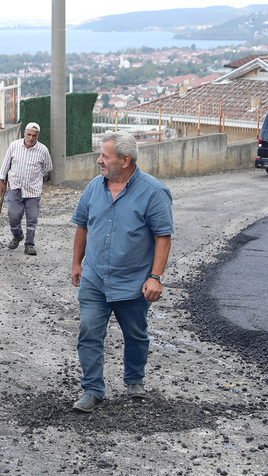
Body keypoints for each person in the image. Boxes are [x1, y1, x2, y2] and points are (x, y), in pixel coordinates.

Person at [69, 130, 173, 412]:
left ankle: (134, 380)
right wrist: (77, 263)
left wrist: (155, 277)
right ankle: (92, 390)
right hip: (94, 278)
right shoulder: (94, 187)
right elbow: (82, 225)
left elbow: (163, 237)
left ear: (125, 160)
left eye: (105, 156)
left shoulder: (154, 192)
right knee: (89, 332)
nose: (99, 160)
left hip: (134, 281)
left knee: (136, 333)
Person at [0, 122, 53, 256]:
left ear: (37, 136)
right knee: (13, 216)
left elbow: (48, 167)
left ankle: (29, 244)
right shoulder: (14, 145)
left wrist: (35, 175)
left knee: (32, 218)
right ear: (24, 133)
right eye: (29, 134)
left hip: (33, 190)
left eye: (34, 135)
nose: (31, 138)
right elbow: (6, 164)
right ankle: (17, 235)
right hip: (15, 187)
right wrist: (1, 180)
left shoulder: (43, 149)